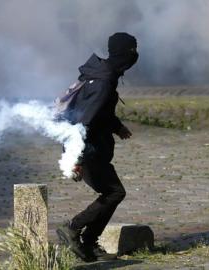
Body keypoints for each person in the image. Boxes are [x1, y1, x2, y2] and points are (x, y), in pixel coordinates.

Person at [56, 32, 139, 262]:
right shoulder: (103, 81)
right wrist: (77, 159)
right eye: (132, 51)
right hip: (87, 149)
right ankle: (74, 228)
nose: (134, 56)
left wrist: (117, 126)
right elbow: (86, 121)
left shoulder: (101, 75)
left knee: (112, 192)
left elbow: (98, 112)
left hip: (92, 147)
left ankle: (89, 243)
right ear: (124, 53)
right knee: (114, 192)